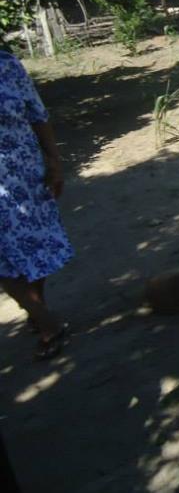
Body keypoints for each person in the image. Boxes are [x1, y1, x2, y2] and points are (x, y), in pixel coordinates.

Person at [0, 48, 72, 359]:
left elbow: (37, 113)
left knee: (35, 248)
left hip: (25, 178)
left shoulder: (6, 64)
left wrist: (54, 160)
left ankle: (35, 308)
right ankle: (47, 322)